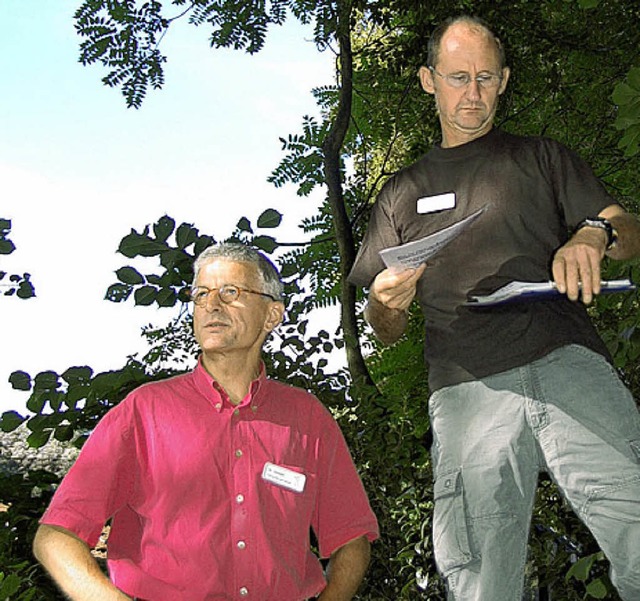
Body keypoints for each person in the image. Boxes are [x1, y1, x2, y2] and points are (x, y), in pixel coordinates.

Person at [348, 15, 640, 601]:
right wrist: (385, 303)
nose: (473, 93)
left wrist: (593, 235)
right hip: (464, 389)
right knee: (481, 579)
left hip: (568, 361)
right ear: (429, 80)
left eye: (485, 77)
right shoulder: (400, 192)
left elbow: (627, 227)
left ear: (504, 80)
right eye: (459, 78)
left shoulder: (541, 158)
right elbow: (382, 330)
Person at [33, 242, 379, 601]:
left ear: (272, 315)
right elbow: (55, 538)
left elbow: (351, 538)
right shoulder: (144, 411)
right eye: (201, 294)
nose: (211, 305)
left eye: (230, 292)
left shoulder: (307, 418)